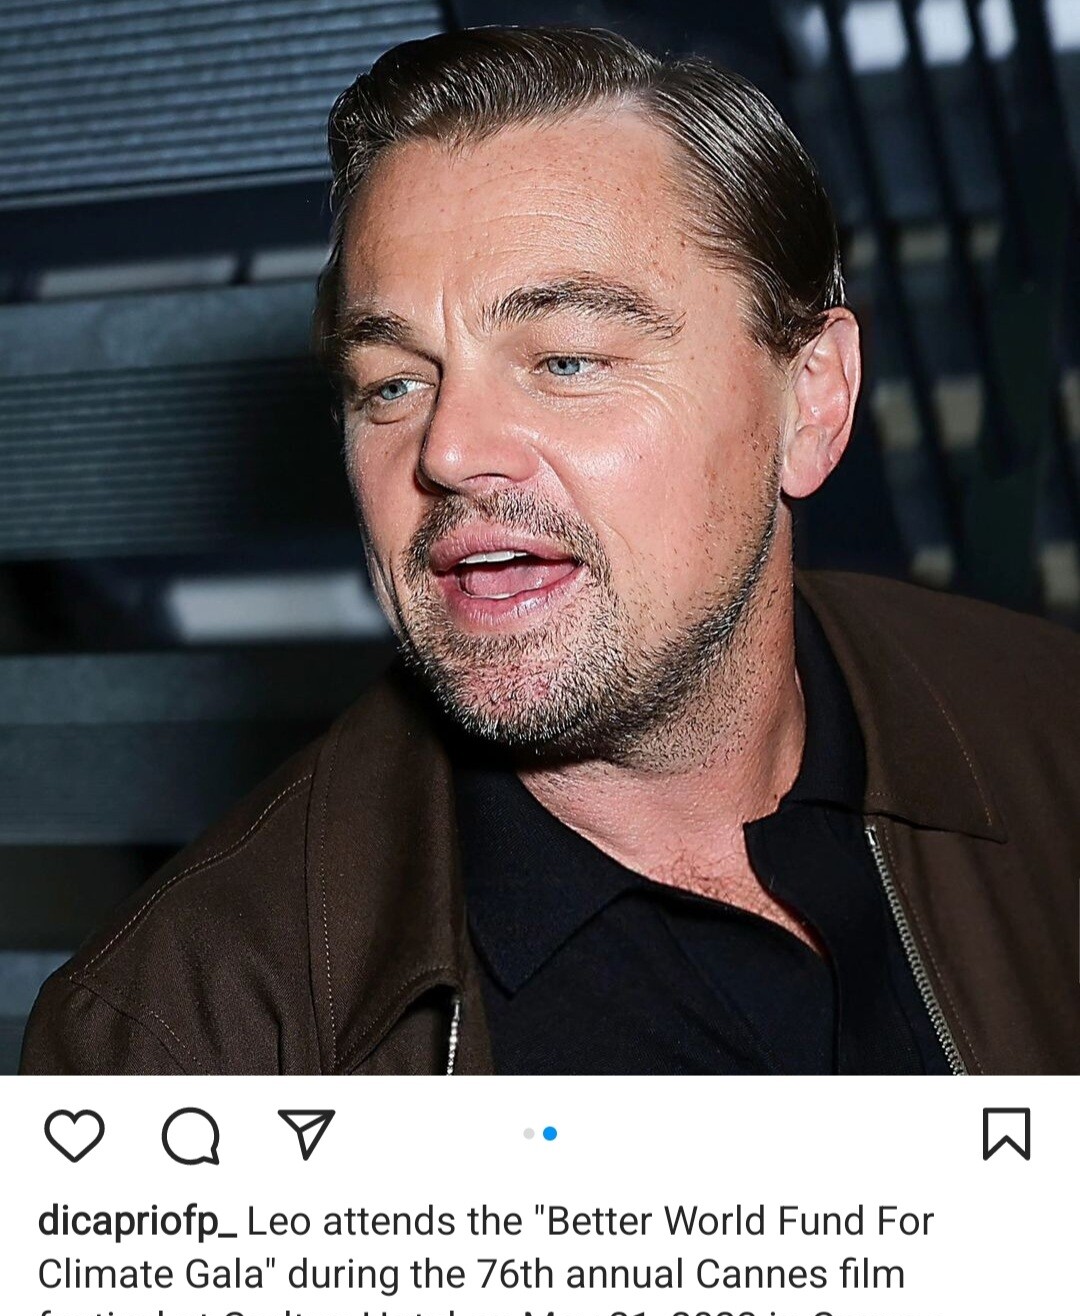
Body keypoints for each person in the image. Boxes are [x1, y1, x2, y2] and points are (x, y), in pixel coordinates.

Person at [20, 27, 1080, 1078]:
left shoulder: (1048, 728)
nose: (447, 449)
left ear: (812, 400)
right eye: (393, 383)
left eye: (565, 359)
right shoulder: (182, 1045)